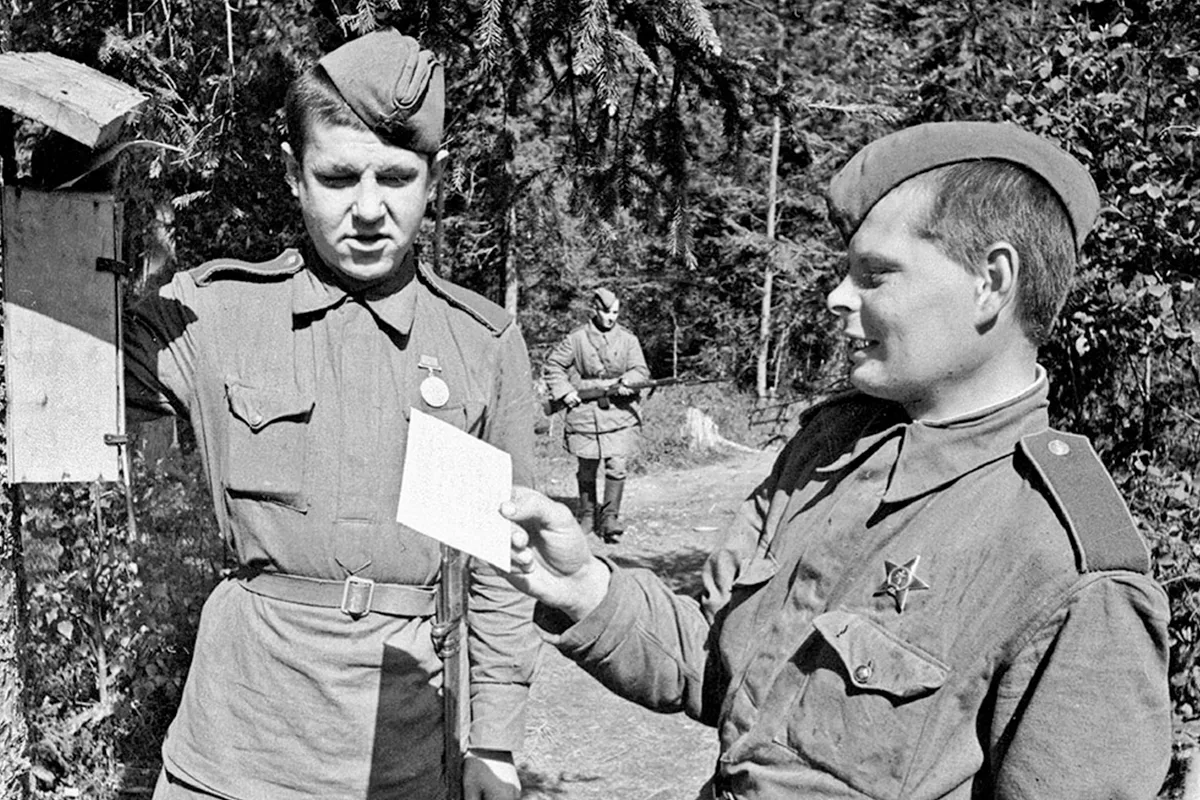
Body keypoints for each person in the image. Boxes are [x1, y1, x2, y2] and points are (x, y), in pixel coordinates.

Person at [501, 122, 1172, 798]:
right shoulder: (831, 447)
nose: (838, 297)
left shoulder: (1068, 565)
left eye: (874, 275)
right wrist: (584, 584)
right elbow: (719, 663)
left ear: (991, 283)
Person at [123, 28, 538, 800]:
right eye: (339, 176)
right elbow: (72, 358)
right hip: (231, 749)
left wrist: (495, 742)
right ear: (293, 173)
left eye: (397, 177)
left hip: (397, 753)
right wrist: (52, 202)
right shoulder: (212, 317)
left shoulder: (473, 346)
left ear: (436, 177)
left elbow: (499, 570)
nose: (369, 209)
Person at [543, 287, 650, 542]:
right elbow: (554, 365)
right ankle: (588, 516)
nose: (611, 318)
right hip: (585, 412)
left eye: (615, 313)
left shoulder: (628, 339)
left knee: (617, 465)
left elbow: (640, 370)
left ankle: (610, 518)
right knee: (587, 467)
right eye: (606, 312)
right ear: (595, 309)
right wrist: (565, 391)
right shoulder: (577, 338)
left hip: (619, 412)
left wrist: (628, 381)